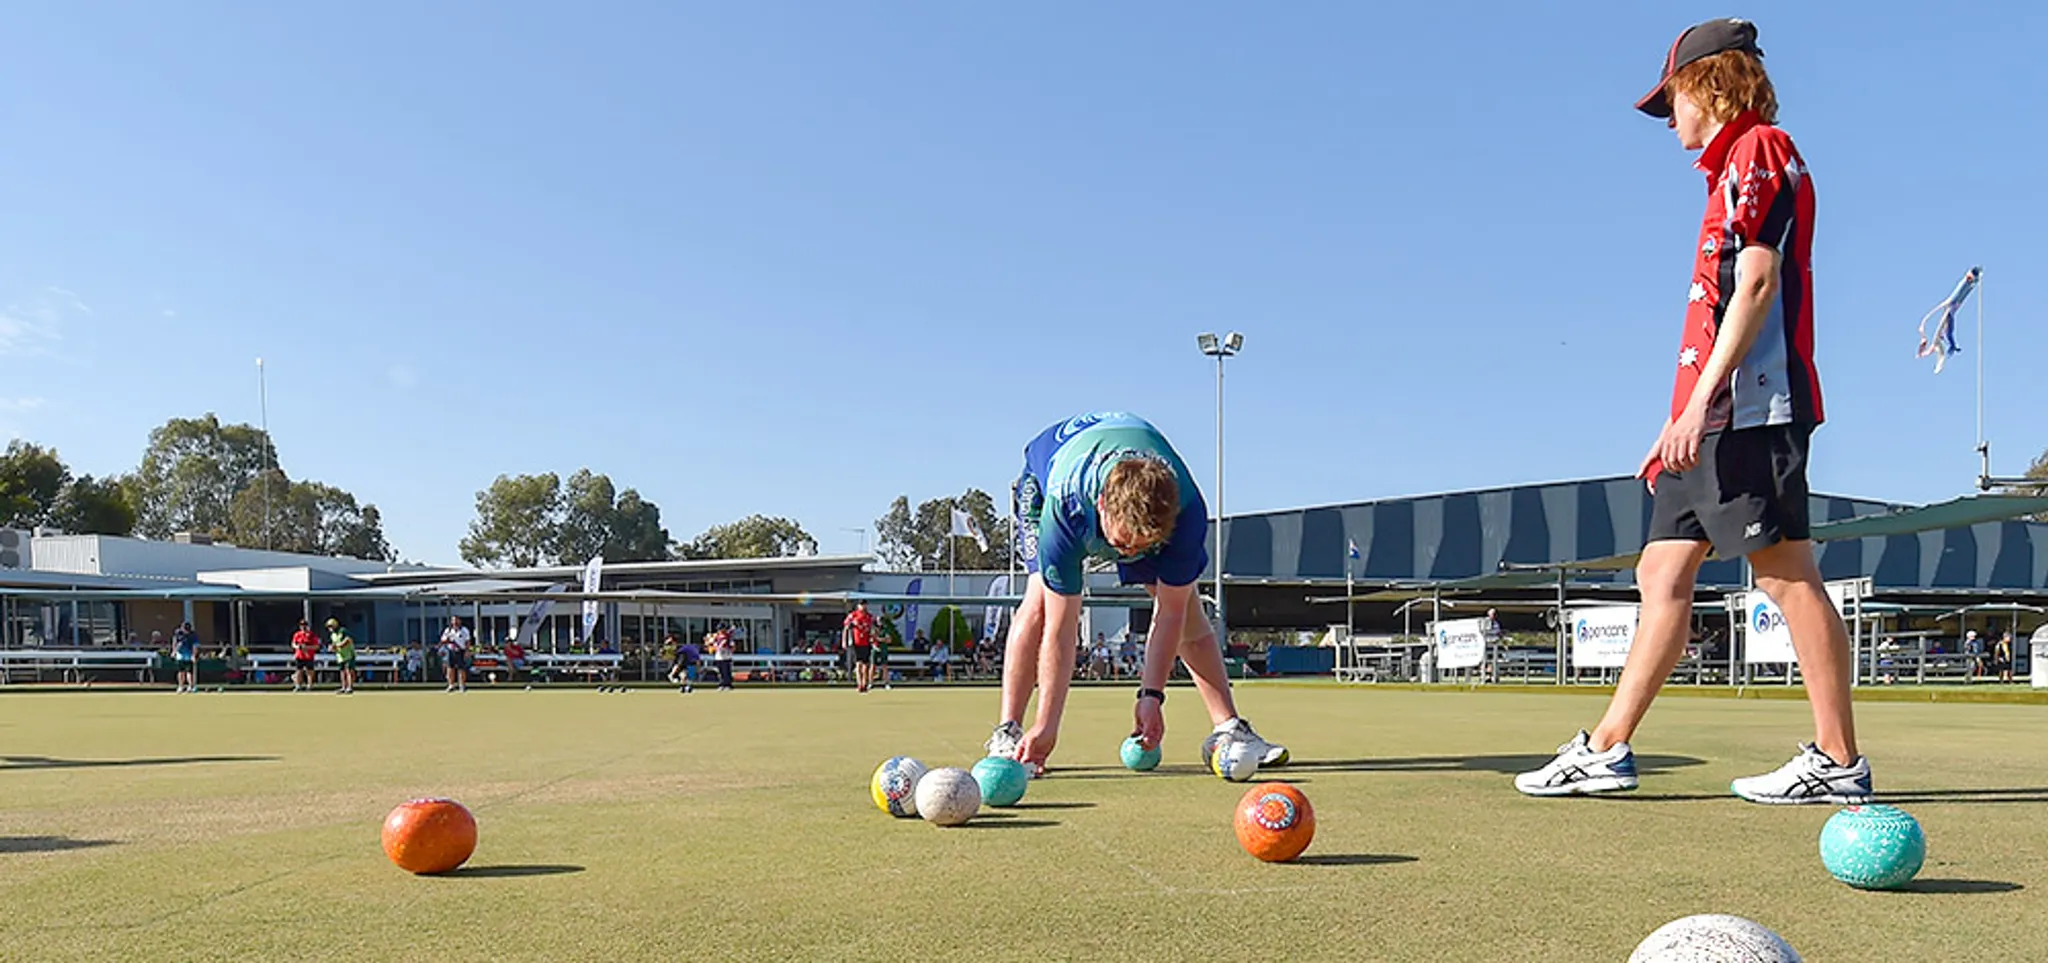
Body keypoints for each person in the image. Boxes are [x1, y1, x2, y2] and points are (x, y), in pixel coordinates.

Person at [1517, 20, 1871, 805]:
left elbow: (1756, 285)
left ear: (1710, 85)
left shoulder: (1760, 150)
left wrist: (1704, 402)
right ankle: (1607, 748)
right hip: (1709, 415)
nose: (1669, 120)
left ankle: (1838, 758)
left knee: (1784, 575)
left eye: (1671, 99)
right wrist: (1675, 420)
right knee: (1661, 569)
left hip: (1750, 406)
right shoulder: (1725, 174)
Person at [984, 412, 1287, 776]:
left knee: (1190, 613)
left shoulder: (1187, 513)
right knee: (1039, 605)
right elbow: (1062, 633)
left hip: (1132, 462)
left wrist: (1151, 697)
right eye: (1123, 543)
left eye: (1143, 546)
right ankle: (1009, 732)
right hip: (1045, 475)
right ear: (1101, 508)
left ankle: (1229, 728)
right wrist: (1047, 726)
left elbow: (1169, 614)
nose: (1128, 553)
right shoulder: (1064, 508)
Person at [842, 601, 877, 693]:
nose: (863, 606)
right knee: (858, 664)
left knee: (866, 665)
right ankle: (859, 684)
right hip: (856, 643)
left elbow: (873, 628)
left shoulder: (869, 616)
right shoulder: (853, 615)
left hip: (866, 643)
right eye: (861, 605)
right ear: (858, 606)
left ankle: (865, 684)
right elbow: (845, 628)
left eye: (865, 604)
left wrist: (874, 638)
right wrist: (844, 641)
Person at [326, 618, 358, 695]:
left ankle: (350, 687)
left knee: (349, 671)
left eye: (331, 626)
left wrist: (338, 646)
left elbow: (348, 640)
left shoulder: (343, 631)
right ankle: (343, 687)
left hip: (349, 654)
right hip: (340, 656)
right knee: (342, 671)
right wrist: (331, 648)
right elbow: (333, 644)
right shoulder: (332, 635)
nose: (330, 628)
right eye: (329, 626)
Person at [440, 616, 471, 693]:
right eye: (453, 620)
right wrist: (447, 640)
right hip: (451, 650)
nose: (455, 622)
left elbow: (467, 641)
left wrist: (467, 651)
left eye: (457, 620)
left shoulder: (464, 630)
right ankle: (451, 685)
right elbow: (443, 640)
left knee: (461, 668)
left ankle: (462, 685)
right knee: (450, 668)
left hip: (460, 650)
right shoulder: (448, 630)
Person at [290, 618, 320, 692]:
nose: (303, 627)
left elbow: (317, 646)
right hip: (299, 656)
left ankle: (309, 686)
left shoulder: (312, 635)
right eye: (301, 625)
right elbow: (293, 644)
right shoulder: (297, 635)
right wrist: (298, 647)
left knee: (309, 672)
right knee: (299, 671)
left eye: (305, 625)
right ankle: (298, 686)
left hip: (309, 656)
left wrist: (307, 648)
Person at [171, 624, 198, 693]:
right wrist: (174, 652)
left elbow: (195, 646)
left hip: (189, 655)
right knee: (181, 671)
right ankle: (180, 686)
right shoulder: (178, 633)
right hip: (180, 655)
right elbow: (175, 643)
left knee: (189, 672)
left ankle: (190, 686)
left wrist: (194, 655)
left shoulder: (193, 635)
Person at [709, 625, 735, 691]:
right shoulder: (716, 637)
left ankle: (728, 685)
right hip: (718, 657)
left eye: (721, 629)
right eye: (719, 629)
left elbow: (733, 647)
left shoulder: (728, 637)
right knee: (720, 672)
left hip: (726, 657)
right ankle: (721, 684)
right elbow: (711, 645)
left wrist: (728, 648)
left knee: (726, 672)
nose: (720, 630)